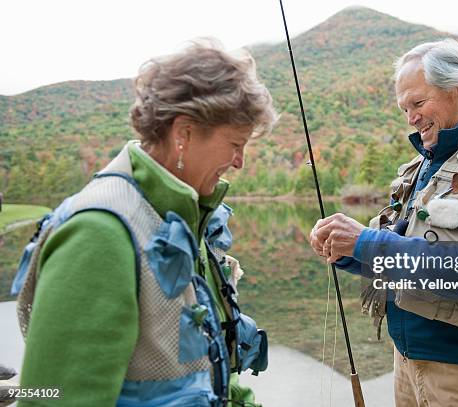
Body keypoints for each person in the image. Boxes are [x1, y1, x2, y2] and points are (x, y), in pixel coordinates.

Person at [12, 38, 276, 406]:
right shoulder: (99, 235)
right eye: (235, 144)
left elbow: (210, 372)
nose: (239, 162)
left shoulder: (179, 220)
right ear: (184, 132)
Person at [310, 38, 458, 407]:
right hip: (406, 363)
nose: (410, 117)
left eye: (418, 103)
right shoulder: (426, 163)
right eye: (404, 107)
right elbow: (401, 254)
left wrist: (364, 242)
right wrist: (345, 249)